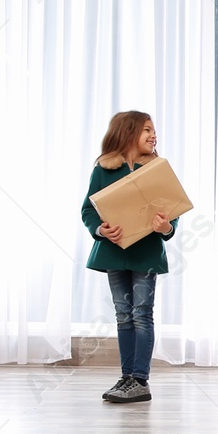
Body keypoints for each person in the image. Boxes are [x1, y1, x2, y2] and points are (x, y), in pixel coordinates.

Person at [81, 111, 178, 403]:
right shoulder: (103, 169)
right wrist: (99, 228)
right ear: (127, 132)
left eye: (154, 131)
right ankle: (127, 378)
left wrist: (166, 227)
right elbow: (88, 210)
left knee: (141, 314)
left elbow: (173, 214)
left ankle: (140, 380)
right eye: (147, 130)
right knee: (123, 316)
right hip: (114, 251)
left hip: (145, 253)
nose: (153, 135)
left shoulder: (158, 170)